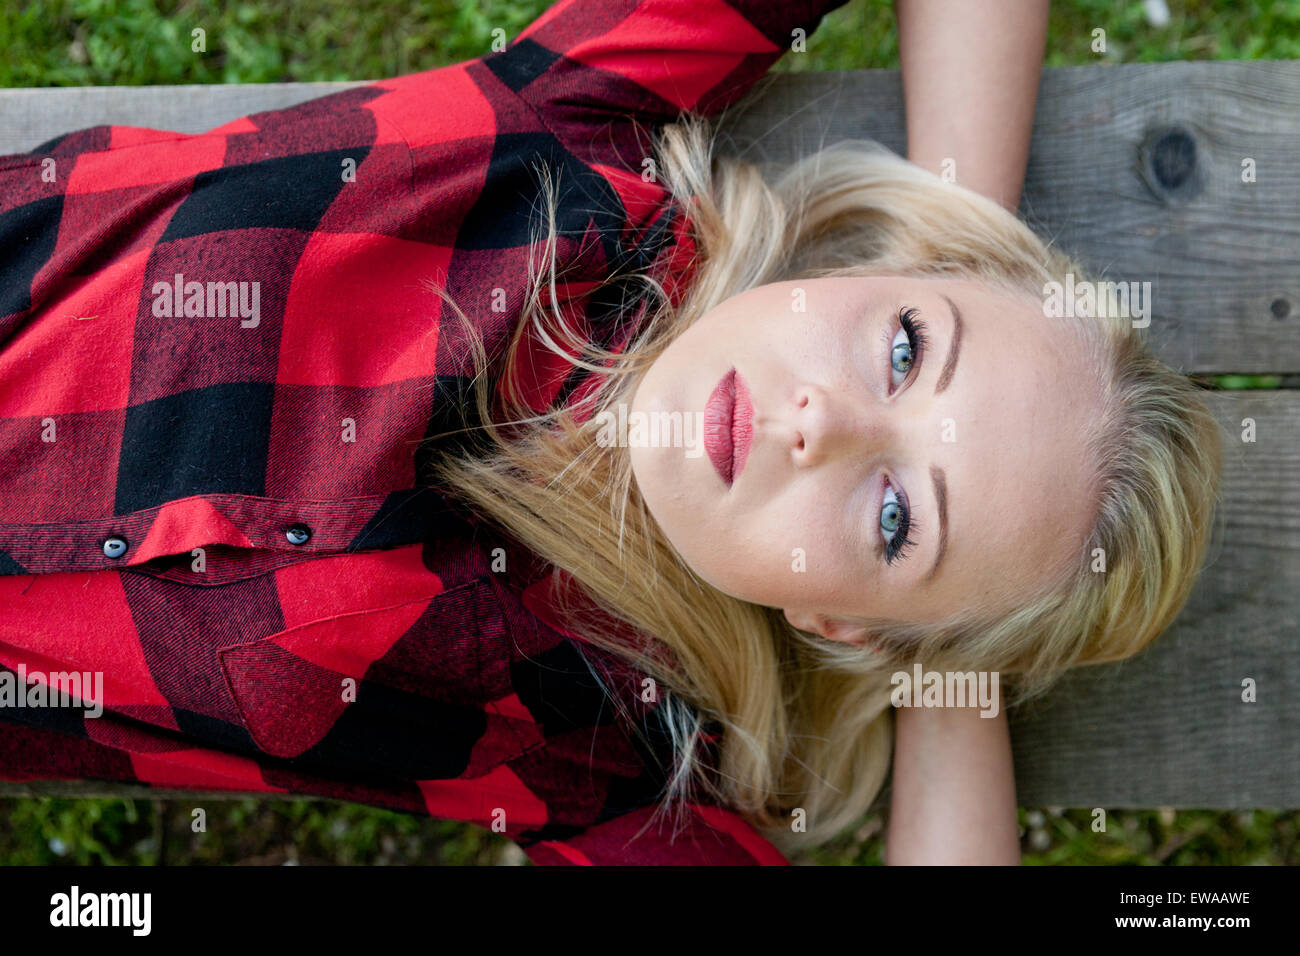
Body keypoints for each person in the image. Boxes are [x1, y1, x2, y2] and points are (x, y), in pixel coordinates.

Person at [0, 0, 1221, 865]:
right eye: (904, 346)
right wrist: (965, 229)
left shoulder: (606, 761)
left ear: (838, 620)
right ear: (870, 267)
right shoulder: (573, 135)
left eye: (896, 512)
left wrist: (940, 668)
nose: (820, 421)